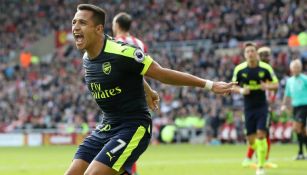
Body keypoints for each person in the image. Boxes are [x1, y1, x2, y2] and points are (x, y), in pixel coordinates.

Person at [65, 4, 235, 175]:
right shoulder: (87, 57)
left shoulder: (122, 52)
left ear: (99, 29)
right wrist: (148, 90)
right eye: (74, 22)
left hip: (133, 126)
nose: (75, 27)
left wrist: (209, 84)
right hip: (107, 125)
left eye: (82, 23)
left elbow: (161, 73)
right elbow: (129, 74)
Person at [112, 12, 151, 175]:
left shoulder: (114, 44)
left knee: (116, 141)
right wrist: (148, 91)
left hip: (119, 100)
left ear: (117, 25)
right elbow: (141, 71)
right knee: (128, 141)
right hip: (137, 98)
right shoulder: (140, 44)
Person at [231, 42, 279, 175]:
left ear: (256, 53)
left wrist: (267, 87)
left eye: (252, 51)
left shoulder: (265, 68)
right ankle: (259, 155)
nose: (250, 53)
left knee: (262, 135)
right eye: (248, 52)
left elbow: (276, 84)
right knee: (251, 140)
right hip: (248, 108)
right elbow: (232, 86)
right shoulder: (239, 70)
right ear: (244, 54)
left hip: (262, 107)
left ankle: (261, 166)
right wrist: (241, 90)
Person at [281, 59, 307, 160]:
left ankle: (300, 152)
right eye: (294, 67)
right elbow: (287, 94)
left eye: (297, 67)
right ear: (291, 69)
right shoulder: (289, 81)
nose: (295, 69)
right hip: (295, 107)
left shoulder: (305, 79)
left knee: (296, 128)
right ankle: (301, 153)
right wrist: (283, 104)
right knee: (302, 131)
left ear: (300, 68)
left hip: (304, 106)